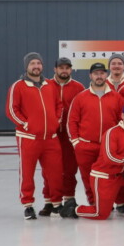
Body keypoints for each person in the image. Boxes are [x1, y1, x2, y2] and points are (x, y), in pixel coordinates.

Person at [7, 52, 64, 220]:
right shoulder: (18, 86)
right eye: (32, 63)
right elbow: (12, 110)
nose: (36, 66)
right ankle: (28, 205)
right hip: (29, 139)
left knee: (54, 172)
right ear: (27, 67)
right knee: (27, 173)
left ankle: (55, 203)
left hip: (51, 138)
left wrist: (56, 121)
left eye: (38, 63)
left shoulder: (50, 85)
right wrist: (26, 124)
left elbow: (59, 105)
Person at [67, 62, 124, 215]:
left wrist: (118, 142)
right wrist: (76, 142)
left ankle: (120, 202)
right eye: (96, 73)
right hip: (86, 146)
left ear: (106, 75)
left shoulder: (116, 97)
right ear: (90, 76)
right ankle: (94, 202)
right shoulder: (81, 97)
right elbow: (72, 121)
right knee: (88, 177)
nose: (99, 76)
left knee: (114, 173)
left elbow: (123, 120)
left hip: (108, 146)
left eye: (102, 73)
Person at [44, 56, 84, 214]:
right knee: (49, 170)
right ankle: (49, 201)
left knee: (69, 169)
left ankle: (68, 199)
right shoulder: (46, 86)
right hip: (51, 134)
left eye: (67, 68)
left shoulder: (78, 87)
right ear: (55, 69)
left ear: (71, 69)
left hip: (69, 135)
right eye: (61, 68)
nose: (64, 70)